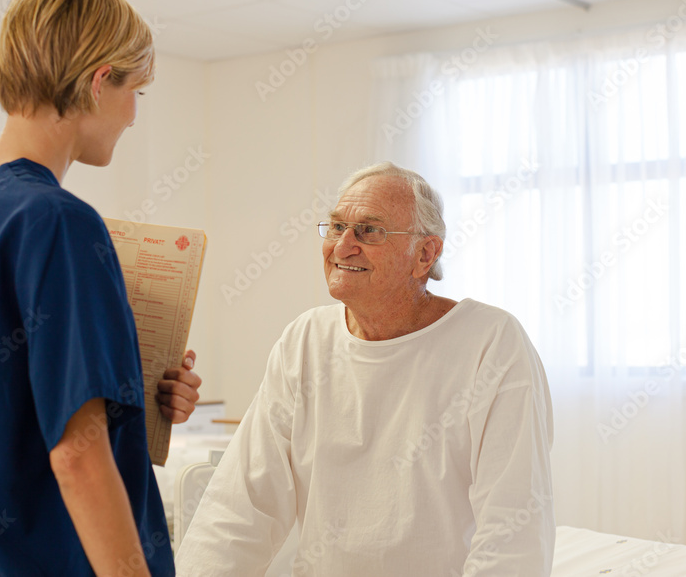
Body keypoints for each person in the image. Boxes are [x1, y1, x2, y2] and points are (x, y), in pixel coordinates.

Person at [0, 0, 202, 576]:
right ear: (101, 81)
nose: (133, 116)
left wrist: (138, 395)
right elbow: (78, 453)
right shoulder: (60, 221)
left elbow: (10, 399)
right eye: (138, 92)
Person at [176, 162, 554, 576]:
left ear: (425, 254)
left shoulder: (493, 343)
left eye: (369, 231)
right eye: (337, 227)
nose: (342, 247)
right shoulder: (306, 340)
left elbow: (513, 529)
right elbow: (239, 508)